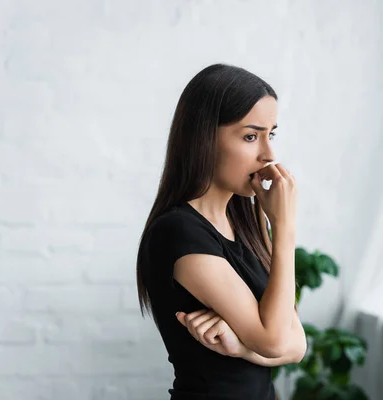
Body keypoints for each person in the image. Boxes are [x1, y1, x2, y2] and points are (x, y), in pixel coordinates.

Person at [136, 63, 306, 400]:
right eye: (250, 136)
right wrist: (284, 227)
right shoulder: (179, 232)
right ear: (204, 138)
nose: (268, 155)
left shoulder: (246, 223)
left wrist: (242, 349)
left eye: (270, 135)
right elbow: (274, 341)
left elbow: (296, 345)